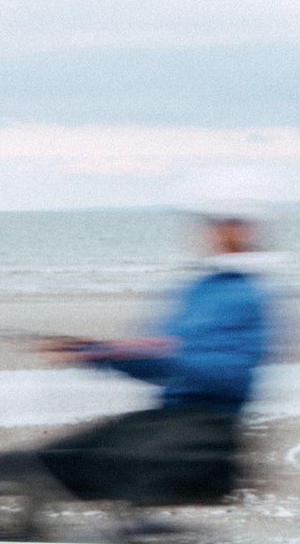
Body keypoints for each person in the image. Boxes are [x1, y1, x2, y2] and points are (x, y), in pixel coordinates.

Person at [18, 175, 284, 509]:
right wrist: (95, 352)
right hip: (166, 420)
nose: (211, 231)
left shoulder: (251, 294)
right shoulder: (198, 289)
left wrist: (162, 353)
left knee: (56, 468)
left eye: (224, 223)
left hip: (205, 432)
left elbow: (230, 374)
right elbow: (156, 361)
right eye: (210, 223)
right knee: (37, 462)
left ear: (250, 228)